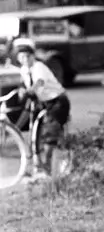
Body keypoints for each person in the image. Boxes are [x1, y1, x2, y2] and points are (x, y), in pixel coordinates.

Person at [13, 38, 70, 179]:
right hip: (42, 101)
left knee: (49, 134)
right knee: (31, 131)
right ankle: (35, 165)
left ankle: (47, 167)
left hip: (57, 102)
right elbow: (24, 85)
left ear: (33, 56)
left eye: (28, 56)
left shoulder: (39, 67)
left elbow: (39, 82)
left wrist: (30, 90)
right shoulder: (24, 70)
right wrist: (22, 91)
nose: (25, 59)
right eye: (21, 57)